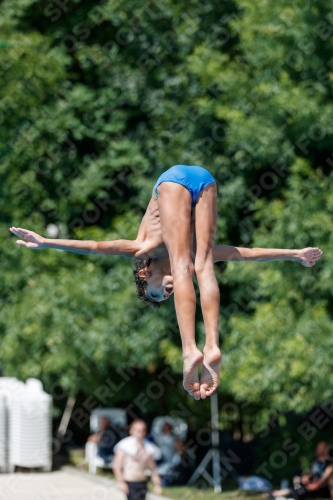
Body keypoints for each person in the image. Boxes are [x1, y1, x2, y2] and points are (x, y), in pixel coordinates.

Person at [9, 165, 323, 400]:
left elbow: (94, 245)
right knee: (205, 263)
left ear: (144, 274)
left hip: (171, 182)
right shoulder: (181, 250)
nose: (168, 292)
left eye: (160, 293)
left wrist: (47, 242)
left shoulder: (141, 248)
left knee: (186, 265)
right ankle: (211, 344)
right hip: (205, 180)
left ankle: (190, 349)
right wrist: (294, 254)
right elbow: (247, 253)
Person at [112, 419, 162, 500]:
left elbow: (153, 468)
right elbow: (117, 465)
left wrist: (157, 485)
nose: (141, 433)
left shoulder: (148, 448)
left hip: (142, 482)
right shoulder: (124, 446)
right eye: (138, 430)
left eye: (143, 430)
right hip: (130, 482)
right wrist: (121, 482)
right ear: (131, 431)